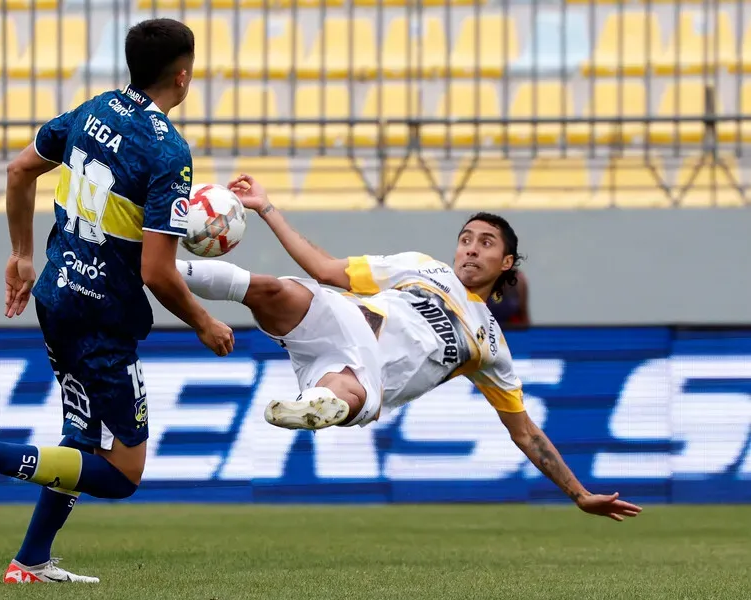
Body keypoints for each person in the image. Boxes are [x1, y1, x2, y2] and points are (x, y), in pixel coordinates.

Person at [0, 18, 234, 584]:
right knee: (122, 474)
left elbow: (20, 170)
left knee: (84, 436)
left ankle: (31, 560)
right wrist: (205, 322)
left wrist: (20, 255)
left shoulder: (94, 110)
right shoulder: (170, 153)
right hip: (104, 314)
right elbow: (158, 272)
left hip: (57, 296)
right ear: (183, 76)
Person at [175, 174, 643, 522]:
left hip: (368, 370)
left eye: (485, 243)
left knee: (348, 390)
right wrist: (267, 207)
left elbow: (525, 433)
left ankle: (316, 405)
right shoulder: (422, 268)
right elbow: (325, 268)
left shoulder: (491, 345)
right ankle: (159, 270)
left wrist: (578, 493)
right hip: (344, 318)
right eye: (465, 240)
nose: (470, 250)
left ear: (506, 262)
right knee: (274, 290)